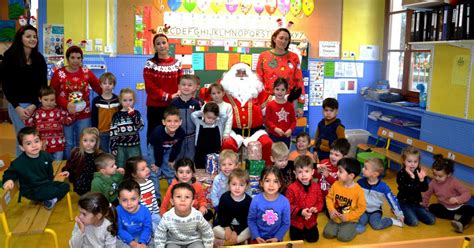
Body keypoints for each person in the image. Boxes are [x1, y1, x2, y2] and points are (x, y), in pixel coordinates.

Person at [2, 25, 47, 156]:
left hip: (35, 105)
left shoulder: (39, 58)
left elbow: (42, 85)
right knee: (23, 139)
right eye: (28, 36)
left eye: (34, 37)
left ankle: (33, 170)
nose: (32, 39)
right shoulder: (10, 57)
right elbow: (7, 85)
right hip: (17, 106)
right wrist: (17, 107)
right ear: (20, 38)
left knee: (35, 139)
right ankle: (22, 172)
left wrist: (34, 104)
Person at [50, 45, 102, 159]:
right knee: (68, 143)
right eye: (72, 57)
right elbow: (53, 94)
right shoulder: (59, 74)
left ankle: (82, 166)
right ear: (67, 59)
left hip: (84, 115)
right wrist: (66, 104)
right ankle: (70, 167)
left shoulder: (86, 72)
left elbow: (99, 88)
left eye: (79, 58)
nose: (76, 61)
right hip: (65, 114)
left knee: (84, 143)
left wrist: (110, 96)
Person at [2, 127, 69, 210]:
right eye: (28, 143)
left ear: (41, 142)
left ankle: (51, 200)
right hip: (32, 190)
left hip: (46, 184)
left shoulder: (45, 155)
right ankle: (50, 198)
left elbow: (49, 171)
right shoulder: (19, 162)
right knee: (52, 191)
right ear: (22, 147)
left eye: (36, 141)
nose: (34, 145)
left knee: (65, 186)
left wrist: (54, 178)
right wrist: (9, 180)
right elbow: (9, 172)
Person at [220, 63, 273, 165]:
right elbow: (210, 96)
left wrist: (288, 98)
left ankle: (266, 173)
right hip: (233, 132)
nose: (241, 76)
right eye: (238, 73)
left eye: (244, 73)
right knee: (227, 144)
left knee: (267, 143)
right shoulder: (223, 92)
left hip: (255, 132)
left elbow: (273, 103)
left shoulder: (257, 91)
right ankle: (228, 174)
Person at [256, 27, 305, 117]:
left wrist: (301, 104)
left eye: (286, 39)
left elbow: (299, 81)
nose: (283, 41)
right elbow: (258, 81)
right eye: (281, 38)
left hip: (289, 100)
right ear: (274, 38)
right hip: (268, 101)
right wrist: (258, 102)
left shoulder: (294, 57)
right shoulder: (263, 56)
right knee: (269, 128)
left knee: (288, 128)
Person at [143, 33, 182, 144]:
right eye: (158, 44)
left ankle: (170, 160)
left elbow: (181, 83)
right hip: (154, 106)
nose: (161, 45)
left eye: (163, 42)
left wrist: (177, 95)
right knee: (154, 134)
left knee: (171, 134)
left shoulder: (177, 63)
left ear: (168, 44)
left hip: (172, 106)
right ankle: (153, 160)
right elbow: (150, 87)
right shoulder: (150, 64)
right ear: (155, 47)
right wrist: (168, 96)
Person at [422, 154, 472, 233]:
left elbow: (467, 193)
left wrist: (457, 199)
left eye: (440, 176)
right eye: (435, 175)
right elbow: (426, 194)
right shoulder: (433, 183)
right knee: (432, 207)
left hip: (458, 207)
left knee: (470, 210)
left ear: (449, 174)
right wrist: (423, 205)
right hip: (444, 207)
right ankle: (455, 217)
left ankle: (461, 223)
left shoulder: (454, 182)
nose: (436, 178)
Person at [154, 183, 214, 248]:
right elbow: (159, 235)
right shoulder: (167, 217)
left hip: (194, 240)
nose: (183, 200)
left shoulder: (197, 215)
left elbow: (207, 231)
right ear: (172, 201)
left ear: (192, 202)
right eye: (178, 196)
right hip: (173, 241)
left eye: (187, 197)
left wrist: (208, 246)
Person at [356, 158, 404, 234]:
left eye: (365, 168)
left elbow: (392, 200)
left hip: (375, 211)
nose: (363, 169)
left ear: (375, 174)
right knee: (360, 222)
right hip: (363, 209)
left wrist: (399, 214)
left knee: (376, 225)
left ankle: (391, 221)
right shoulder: (360, 182)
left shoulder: (383, 187)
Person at [323, 158, 366, 242]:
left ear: (351, 176)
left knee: (343, 237)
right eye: (338, 170)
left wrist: (348, 217)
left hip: (349, 220)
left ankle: (356, 226)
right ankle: (342, 228)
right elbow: (328, 198)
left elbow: (362, 208)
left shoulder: (358, 191)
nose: (337, 173)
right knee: (328, 234)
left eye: (340, 171)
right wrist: (331, 211)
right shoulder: (336, 184)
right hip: (335, 218)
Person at [25, 86, 73, 160]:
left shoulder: (59, 111)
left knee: (57, 166)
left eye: (52, 100)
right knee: (45, 167)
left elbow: (67, 122)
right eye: (46, 100)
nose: (49, 102)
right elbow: (29, 126)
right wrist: (27, 115)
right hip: (43, 147)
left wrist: (72, 113)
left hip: (58, 146)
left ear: (55, 100)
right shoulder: (36, 113)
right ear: (40, 99)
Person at [149, 106, 185, 200]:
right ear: (163, 122)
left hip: (169, 149)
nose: (172, 124)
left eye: (176, 121)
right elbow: (158, 150)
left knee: (169, 171)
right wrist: (157, 164)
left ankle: (174, 193)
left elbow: (177, 147)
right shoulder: (158, 133)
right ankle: (156, 197)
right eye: (169, 121)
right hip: (155, 149)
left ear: (180, 122)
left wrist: (172, 159)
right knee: (154, 173)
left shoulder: (181, 132)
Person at [248, 166, 290, 244]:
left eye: (275, 181)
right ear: (261, 183)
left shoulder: (285, 202)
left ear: (280, 184)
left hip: (276, 238)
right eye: (267, 181)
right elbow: (251, 220)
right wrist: (256, 236)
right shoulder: (255, 200)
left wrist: (277, 237)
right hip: (257, 237)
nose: (271, 185)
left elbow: (286, 223)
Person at [285, 155, 323, 243]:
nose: (303, 175)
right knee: (296, 240)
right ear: (295, 173)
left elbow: (320, 201)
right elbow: (288, 205)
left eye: (306, 171)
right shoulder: (291, 188)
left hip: (311, 222)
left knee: (313, 239)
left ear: (313, 172)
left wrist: (316, 209)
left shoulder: (316, 187)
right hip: (296, 223)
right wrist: (300, 211)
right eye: (300, 172)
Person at [397, 146, 435, 226]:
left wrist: (422, 180)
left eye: (415, 162)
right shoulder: (401, 174)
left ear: (418, 162)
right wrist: (413, 178)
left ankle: (413, 213)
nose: (412, 164)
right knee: (413, 222)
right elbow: (408, 189)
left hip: (416, 203)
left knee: (432, 220)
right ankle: (398, 210)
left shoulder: (419, 172)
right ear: (404, 161)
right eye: (409, 161)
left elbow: (424, 189)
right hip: (404, 203)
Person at [213, 169, 252, 246]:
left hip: (241, 227)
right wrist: (226, 227)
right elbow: (221, 215)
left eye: (241, 185)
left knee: (251, 230)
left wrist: (236, 231)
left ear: (246, 186)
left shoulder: (248, 201)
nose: (237, 188)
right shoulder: (224, 197)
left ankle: (229, 241)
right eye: (234, 184)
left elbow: (247, 221)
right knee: (214, 230)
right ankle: (238, 241)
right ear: (229, 185)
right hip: (225, 225)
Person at [62, 127, 103, 195]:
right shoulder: (76, 153)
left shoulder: (99, 154)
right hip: (80, 184)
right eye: (85, 140)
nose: (88, 143)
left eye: (92, 141)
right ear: (81, 140)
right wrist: (67, 170)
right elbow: (70, 164)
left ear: (96, 142)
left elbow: (106, 165)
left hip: (94, 183)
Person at [123, 157, 161, 230]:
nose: (147, 169)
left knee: (160, 220)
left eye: (146, 166)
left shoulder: (150, 183)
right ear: (134, 174)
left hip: (151, 213)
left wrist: (157, 212)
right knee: (153, 227)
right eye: (143, 169)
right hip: (139, 218)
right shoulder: (132, 189)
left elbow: (153, 199)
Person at [110, 88, 144, 168]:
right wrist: (113, 147)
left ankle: (135, 180)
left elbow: (141, 127)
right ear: (120, 101)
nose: (128, 103)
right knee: (121, 165)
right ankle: (121, 180)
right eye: (125, 100)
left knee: (136, 166)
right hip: (120, 146)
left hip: (134, 145)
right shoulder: (116, 115)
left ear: (134, 100)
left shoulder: (136, 113)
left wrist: (133, 116)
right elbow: (113, 132)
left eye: (130, 100)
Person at [170, 75, 202, 161]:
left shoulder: (197, 104)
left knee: (190, 159)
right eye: (183, 84)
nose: (186, 87)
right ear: (179, 87)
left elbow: (200, 120)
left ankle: (189, 173)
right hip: (177, 137)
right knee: (177, 159)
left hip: (192, 137)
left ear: (195, 87)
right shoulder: (174, 103)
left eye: (190, 85)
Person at [116, 180, 153, 248]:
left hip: (141, 236)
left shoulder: (145, 211)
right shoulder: (118, 210)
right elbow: (119, 229)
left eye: (133, 199)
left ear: (139, 198)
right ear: (119, 200)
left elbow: (147, 228)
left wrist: (142, 242)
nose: (129, 203)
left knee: (153, 243)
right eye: (124, 200)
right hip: (124, 237)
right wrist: (131, 242)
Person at [191, 102, 226, 169]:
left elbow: (225, 116)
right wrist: (203, 112)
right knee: (200, 167)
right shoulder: (199, 122)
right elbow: (193, 114)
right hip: (200, 150)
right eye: (209, 117)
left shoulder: (219, 123)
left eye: (213, 118)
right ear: (204, 114)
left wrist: (216, 112)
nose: (211, 120)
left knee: (213, 168)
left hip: (215, 150)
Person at [91, 72, 120, 153]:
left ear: (114, 85)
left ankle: (116, 166)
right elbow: (94, 117)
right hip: (102, 132)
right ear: (100, 85)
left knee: (116, 152)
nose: (107, 85)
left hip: (115, 131)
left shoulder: (117, 99)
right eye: (104, 83)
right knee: (104, 153)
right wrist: (95, 131)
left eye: (110, 83)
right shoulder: (96, 101)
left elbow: (121, 115)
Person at [265, 78, 296, 148]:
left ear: (286, 91)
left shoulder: (289, 106)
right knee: (274, 154)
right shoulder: (270, 105)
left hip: (286, 136)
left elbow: (293, 121)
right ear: (273, 90)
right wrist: (275, 129)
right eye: (277, 89)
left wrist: (290, 130)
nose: (280, 92)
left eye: (282, 90)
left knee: (284, 155)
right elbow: (268, 121)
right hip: (273, 135)